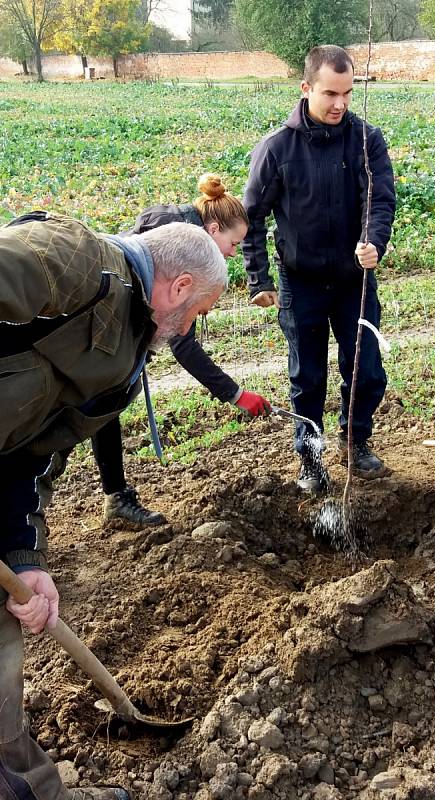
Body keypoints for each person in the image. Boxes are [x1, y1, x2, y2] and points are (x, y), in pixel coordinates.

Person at [0, 214, 228, 800]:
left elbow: (33, 457)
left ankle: (30, 785)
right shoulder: (73, 261)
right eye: (197, 312)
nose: (189, 329)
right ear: (178, 289)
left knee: (4, 634)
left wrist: (23, 556)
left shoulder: (124, 363)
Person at [242, 45, 396, 493]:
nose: (340, 104)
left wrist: (373, 242)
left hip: (354, 282)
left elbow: (380, 200)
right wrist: (259, 278)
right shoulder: (277, 149)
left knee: (365, 368)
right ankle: (310, 460)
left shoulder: (367, 140)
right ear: (306, 87)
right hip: (300, 281)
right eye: (330, 93)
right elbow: (253, 215)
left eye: (347, 93)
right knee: (307, 376)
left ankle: (356, 442)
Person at [88, 174, 271, 527]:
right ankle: (39, 513)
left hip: (117, 322)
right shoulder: (182, 245)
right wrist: (234, 394)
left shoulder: (183, 229)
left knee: (105, 402)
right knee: (92, 405)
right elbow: (182, 342)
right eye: (233, 244)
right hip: (106, 321)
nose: (233, 254)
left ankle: (111, 496)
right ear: (213, 229)